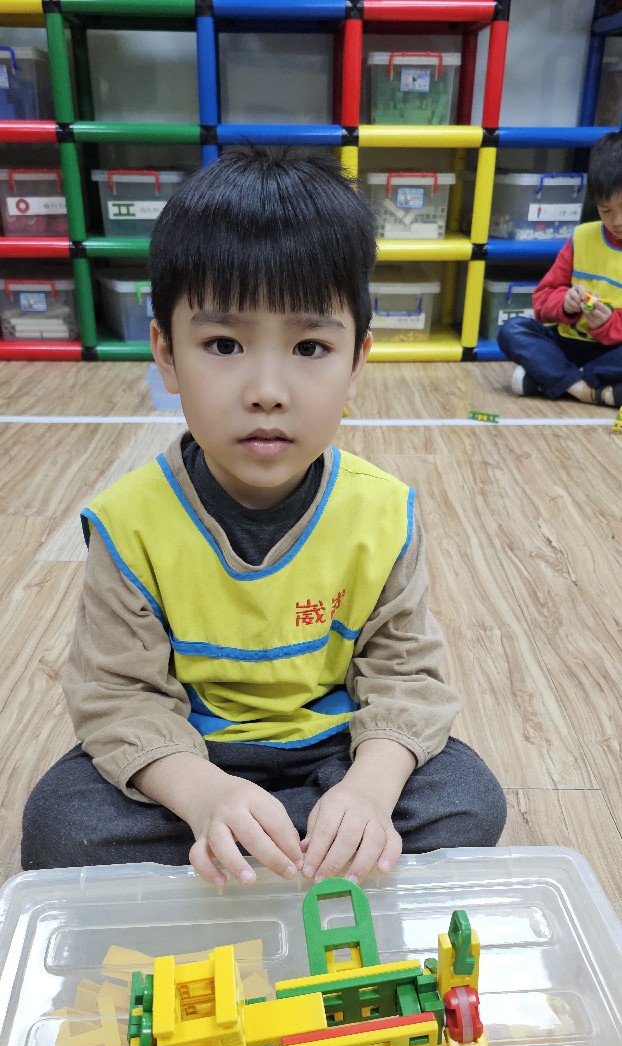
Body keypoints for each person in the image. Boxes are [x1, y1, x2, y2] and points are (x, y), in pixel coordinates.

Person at [21, 148, 506, 888]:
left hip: (333, 751)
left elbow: (406, 677)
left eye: (310, 346)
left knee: (468, 800)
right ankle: (281, 843)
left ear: (357, 361)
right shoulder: (130, 525)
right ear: (166, 353)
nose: (268, 390)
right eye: (224, 344)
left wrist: (369, 792)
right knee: (62, 825)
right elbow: (118, 698)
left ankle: (294, 841)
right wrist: (204, 796)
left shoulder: (382, 514)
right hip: (192, 754)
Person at [498, 130, 622, 406]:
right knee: (513, 329)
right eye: (606, 210)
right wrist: (566, 303)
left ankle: (555, 378)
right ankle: (588, 389)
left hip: (613, 353)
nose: (617, 221)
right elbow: (542, 302)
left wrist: (608, 324)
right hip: (568, 344)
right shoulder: (582, 237)